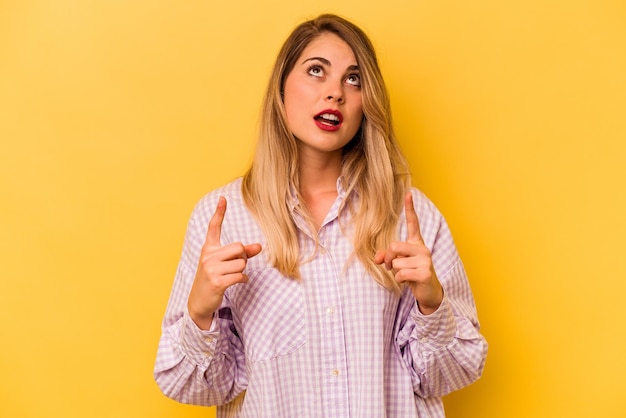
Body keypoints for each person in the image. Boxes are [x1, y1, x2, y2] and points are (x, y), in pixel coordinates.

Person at [154, 13, 487, 418]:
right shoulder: (224, 219)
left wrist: (432, 304)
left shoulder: (410, 216)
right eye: (316, 72)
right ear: (281, 92)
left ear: (368, 103)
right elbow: (198, 387)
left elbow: (452, 374)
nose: (335, 94)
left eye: (353, 79)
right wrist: (201, 311)